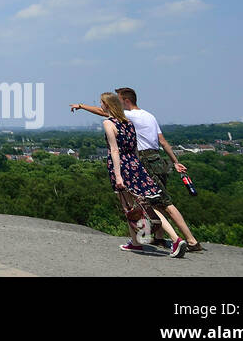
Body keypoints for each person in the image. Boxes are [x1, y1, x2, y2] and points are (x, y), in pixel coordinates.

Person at [72, 88, 204, 253]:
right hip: (147, 162)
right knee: (153, 203)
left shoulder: (121, 119)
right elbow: (159, 141)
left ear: (123, 101)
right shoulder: (144, 117)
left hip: (132, 164)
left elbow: (114, 150)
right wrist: (175, 162)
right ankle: (163, 239)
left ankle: (160, 240)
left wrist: (81, 106)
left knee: (141, 205)